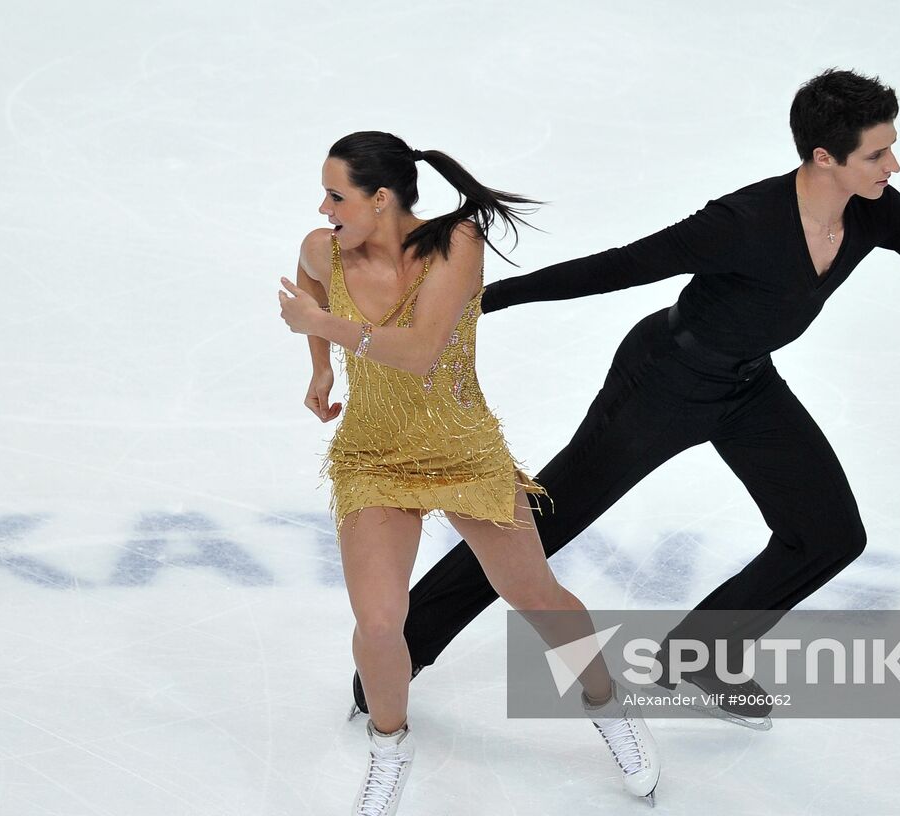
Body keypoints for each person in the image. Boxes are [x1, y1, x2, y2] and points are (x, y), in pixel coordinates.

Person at [348, 69, 900, 728]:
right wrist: (474, 305)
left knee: (829, 534)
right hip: (661, 383)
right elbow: (618, 266)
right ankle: (397, 653)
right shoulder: (742, 221)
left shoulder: (876, 213)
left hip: (745, 385)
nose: (894, 167)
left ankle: (699, 656)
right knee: (542, 526)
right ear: (824, 157)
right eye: (879, 153)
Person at [278, 131, 661, 815]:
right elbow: (309, 283)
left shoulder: (455, 244)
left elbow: (422, 350)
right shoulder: (322, 248)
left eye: (336, 195)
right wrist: (319, 366)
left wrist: (324, 328)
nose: (324, 208)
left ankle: (608, 705)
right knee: (378, 621)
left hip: (461, 447)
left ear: (382, 198)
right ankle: (389, 746)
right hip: (372, 453)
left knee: (534, 594)